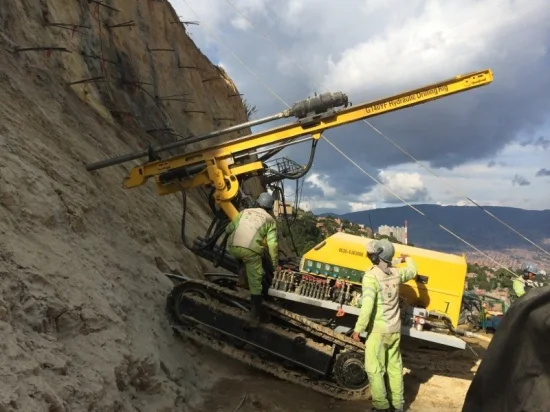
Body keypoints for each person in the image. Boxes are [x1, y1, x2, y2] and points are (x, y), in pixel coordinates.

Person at [351, 238, 418, 412]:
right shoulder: (396, 273)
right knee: (395, 369)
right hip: (395, 330)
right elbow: (412, 271)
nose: (369, 255)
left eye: (372, 253)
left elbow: (367, 307)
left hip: (378, 332)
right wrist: (406, 258)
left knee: (375, 369)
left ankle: (381, 406)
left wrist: (358, 330)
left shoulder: (371, 276)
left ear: (376, 257)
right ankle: (398, 406)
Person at [225, 192, 279, 328]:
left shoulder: (245, 212)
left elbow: (229, 228)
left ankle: (242, 273)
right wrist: (274, 264)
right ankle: (255, 317)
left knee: (243, 255)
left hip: (233, 247)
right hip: (251, 252)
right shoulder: (270, 220)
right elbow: (273, 245)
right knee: (256, 283)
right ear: (270, 207)